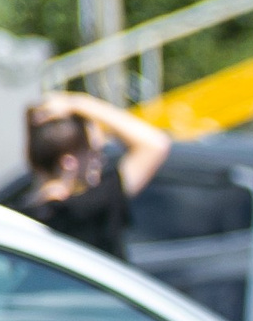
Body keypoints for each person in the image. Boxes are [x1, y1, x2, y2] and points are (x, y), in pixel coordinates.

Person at [10, 90, 173, 259]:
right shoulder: (92, 207)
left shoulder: (14, 220)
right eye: (93, 152)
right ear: (69, 163)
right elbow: (154, 144)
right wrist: (76, 103)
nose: (99, 161)